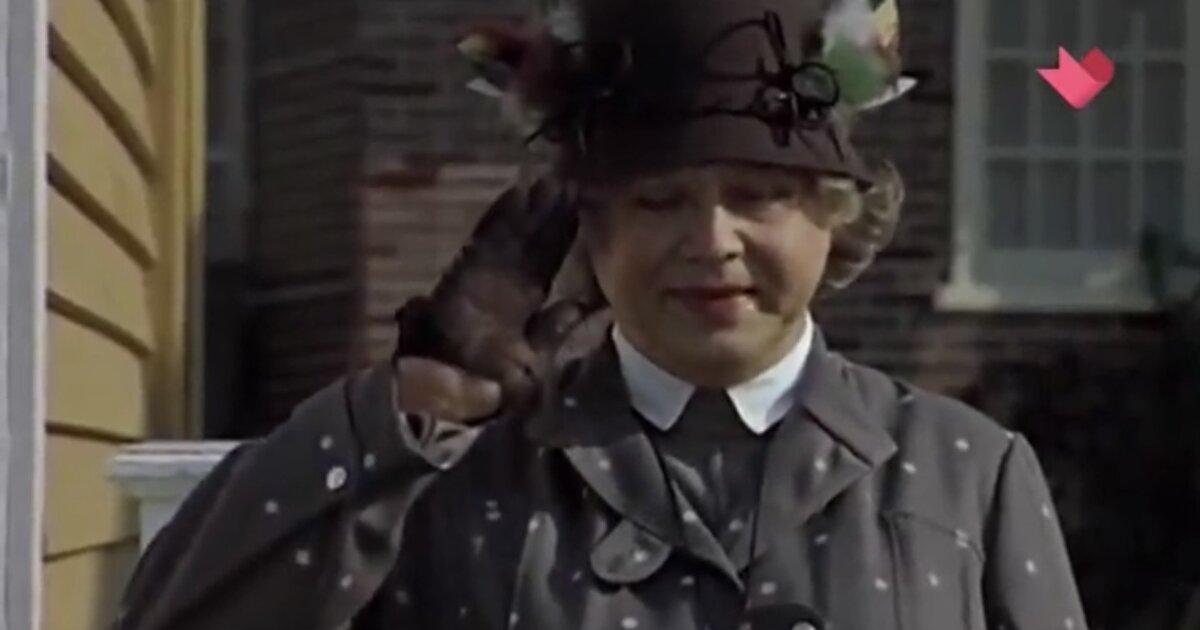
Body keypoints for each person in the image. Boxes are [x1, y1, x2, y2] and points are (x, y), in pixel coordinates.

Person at [112, 0, 1089, 628]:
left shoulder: (967, 475)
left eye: (757, 196)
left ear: (834, 219)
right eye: (659, 200)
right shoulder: (456, 480)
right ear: (587, 225)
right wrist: (415, 401)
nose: (710, 241)